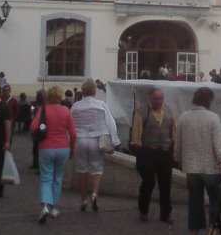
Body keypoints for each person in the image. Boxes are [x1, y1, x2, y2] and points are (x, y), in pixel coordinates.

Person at [176, 86, 221, 235]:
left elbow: (178, 144)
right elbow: (218, 146)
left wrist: (178, 159)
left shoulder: (184, 118)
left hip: (191, 168)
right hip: (210, 168)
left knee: (195, 203)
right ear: (209, 101)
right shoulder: (213, 118)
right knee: (215, 203)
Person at [70, 78, 119, 212]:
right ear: (94, 91)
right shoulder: (101, 105)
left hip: (80, 139)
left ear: (83, 91)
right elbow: (110, 123)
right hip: (96, 139)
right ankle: (94, 194)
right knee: (97, 168)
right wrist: (114, 140)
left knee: (82, 169)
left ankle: (83, 199)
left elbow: (70, 125)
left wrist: (69, 142)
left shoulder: (76, 106)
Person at [29, 85, 77, 224]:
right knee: (58, 178)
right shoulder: (66, 111)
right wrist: (72, 149)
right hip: (63, 147)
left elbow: (33, 127)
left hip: (46, 147)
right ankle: (54, 207)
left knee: (46, 177)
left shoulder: (43, 110)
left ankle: (45, 205)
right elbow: (73, 134)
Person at [130, 87, 176, 223]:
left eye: (161, 98)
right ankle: (143, 210)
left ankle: (166, 213)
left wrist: (174, 145)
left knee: (166, 183)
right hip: (148, 150)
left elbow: (173, 129)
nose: (159, 101)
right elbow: (137, 131)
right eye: (156, 98)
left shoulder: (168, 111)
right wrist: (138, 146)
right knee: (148, 182)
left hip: (165, 151)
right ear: (150, 98)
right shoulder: (142, 111)